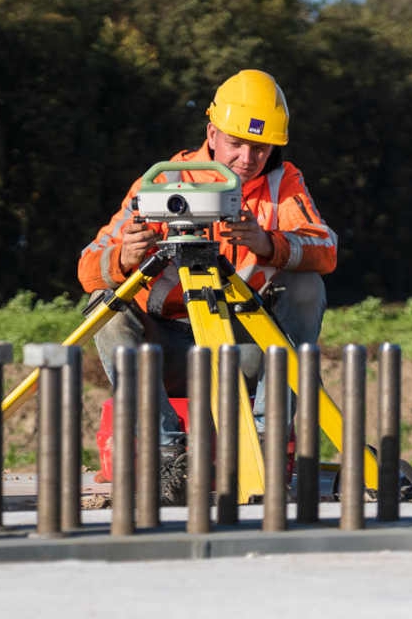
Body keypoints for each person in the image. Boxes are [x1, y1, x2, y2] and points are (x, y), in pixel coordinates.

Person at [76, 69, 338, 504]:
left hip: (246, 348)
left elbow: (324, 246)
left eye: (260, 147)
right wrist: (124, 256)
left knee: (307, 285)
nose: (248, 157)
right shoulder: (164, 181)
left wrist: (268, 243)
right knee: (106, 304)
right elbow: (88, 264)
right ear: (212, 133)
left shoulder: (282, 183)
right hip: (170, 349)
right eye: (237, 143)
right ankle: (166, 454)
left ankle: (268, 439)